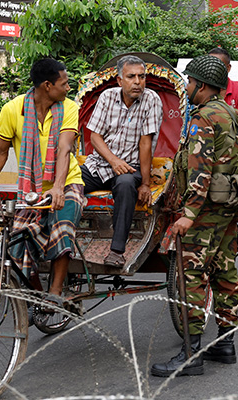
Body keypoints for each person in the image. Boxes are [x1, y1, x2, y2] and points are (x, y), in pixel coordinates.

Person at [151, 55, 238, 377]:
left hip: (206, 208)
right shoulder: (232, 114)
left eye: (190, 82)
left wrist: (189, 214)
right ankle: (225, 342)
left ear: (203, 86)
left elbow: (200, 168)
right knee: (224, 270)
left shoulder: (203, 118)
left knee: (189, 272)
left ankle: (191, 353)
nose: (188, 87)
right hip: (228, 204)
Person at [0, 58, 85, 299]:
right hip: (31, 189)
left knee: (63, 227)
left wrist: (58, 188)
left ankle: (55, 293)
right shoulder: (12, 110)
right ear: (47, 85)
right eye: (64, 84)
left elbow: (64, 149)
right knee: (15, 242)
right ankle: (35, 294)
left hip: (66, 181)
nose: (68, 89)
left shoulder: (68, 107)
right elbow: (1, 153)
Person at [81, 55, 163, 267]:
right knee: (69, 183)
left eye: (142, 77)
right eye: (131, 77)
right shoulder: (107, 97)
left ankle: (117, 251)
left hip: (131, 168)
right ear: (119, 81)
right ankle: (63, 241)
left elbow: (146, 144)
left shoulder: (152, 100)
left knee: (126, 185)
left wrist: (145, 183)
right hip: (99, 165)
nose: (137, 82)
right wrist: (113, 160)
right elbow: (94, 137)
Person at [208, 47, 238, 121]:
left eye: (218, 66)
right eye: (210, 65)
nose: (213, 70)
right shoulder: (201, 89)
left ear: (228, 68)